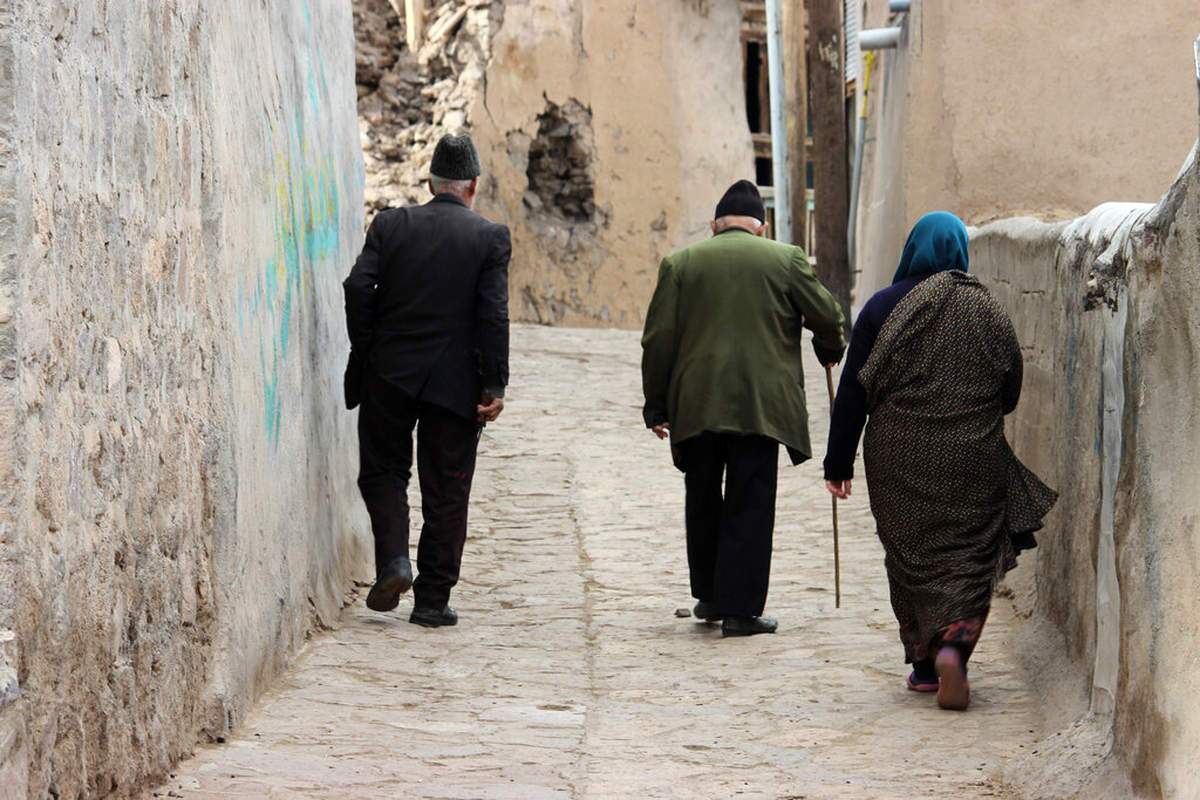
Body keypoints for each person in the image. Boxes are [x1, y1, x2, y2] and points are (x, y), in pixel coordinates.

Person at [823, 211, 1056, 710]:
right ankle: (956, 645)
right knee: (970, 555)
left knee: (912, 559)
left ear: (913, 249)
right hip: (972, 456)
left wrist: (837, 464)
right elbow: (1011, 386)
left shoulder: (883, 307)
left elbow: (852, 393)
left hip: (897, 459)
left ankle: (926, 667)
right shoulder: (985, 307)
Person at [641, 180, 847, 638]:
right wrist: (829, 348)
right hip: (761, 404)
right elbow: (828, 316)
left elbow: (658, 339)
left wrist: (656, 403)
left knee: (702, 496)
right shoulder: (784, 258)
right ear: (762, 228)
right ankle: (740, 610)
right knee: (750, 500)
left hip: (696, 403)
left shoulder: (680, 264)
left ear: (715, 226)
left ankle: (710, 596)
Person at [343, 134, 510, 628]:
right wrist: (494, 385)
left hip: (389, 374)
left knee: (383, 472)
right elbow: (493, 314)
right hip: (455, 384)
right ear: (473, 186)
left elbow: (357, 286)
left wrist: (369, 345)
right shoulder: (489, 237)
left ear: (431, 181)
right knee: (448, 489)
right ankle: (433, 600)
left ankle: (394, 561)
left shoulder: (392, 224)